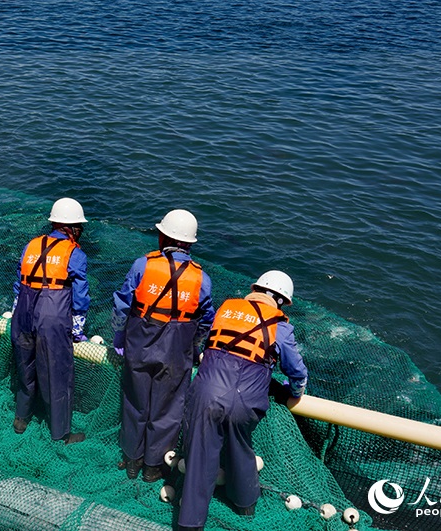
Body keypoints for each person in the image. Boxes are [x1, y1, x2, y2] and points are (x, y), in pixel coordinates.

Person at [177, 270, 308, 529]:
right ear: (281, 301)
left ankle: (189, 523)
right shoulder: (280, 326)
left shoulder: (226, 310)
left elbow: (208, 344)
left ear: (255, 289)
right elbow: (296, 371)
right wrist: (295, 392)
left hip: (205, 392)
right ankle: (245, 504)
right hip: (245, 400)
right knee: (240, 447)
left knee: (199, 455)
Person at [112, 209, 214, 482]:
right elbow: (206, 320)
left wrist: (119, 339)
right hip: (176, 351)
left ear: (162, 236)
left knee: (135, 402)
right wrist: (193, 346)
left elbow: (122, 306)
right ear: (190, 244)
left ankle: (132, 459)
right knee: (167, 409)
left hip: (140, 344)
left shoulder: (142, 265)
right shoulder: (201, 278)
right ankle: (154, 466)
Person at [10, 197, 90, 444]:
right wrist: (77, 329)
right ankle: (61, 433)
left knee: (25, 366)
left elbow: (18, 281)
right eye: (79, 227)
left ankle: (21, 418)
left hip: (22, 309)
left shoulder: (31, 245)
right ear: (70, 228)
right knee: (58, 372)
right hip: (51, 313)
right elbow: (80, 295)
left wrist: (17, 311)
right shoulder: (74, 254)